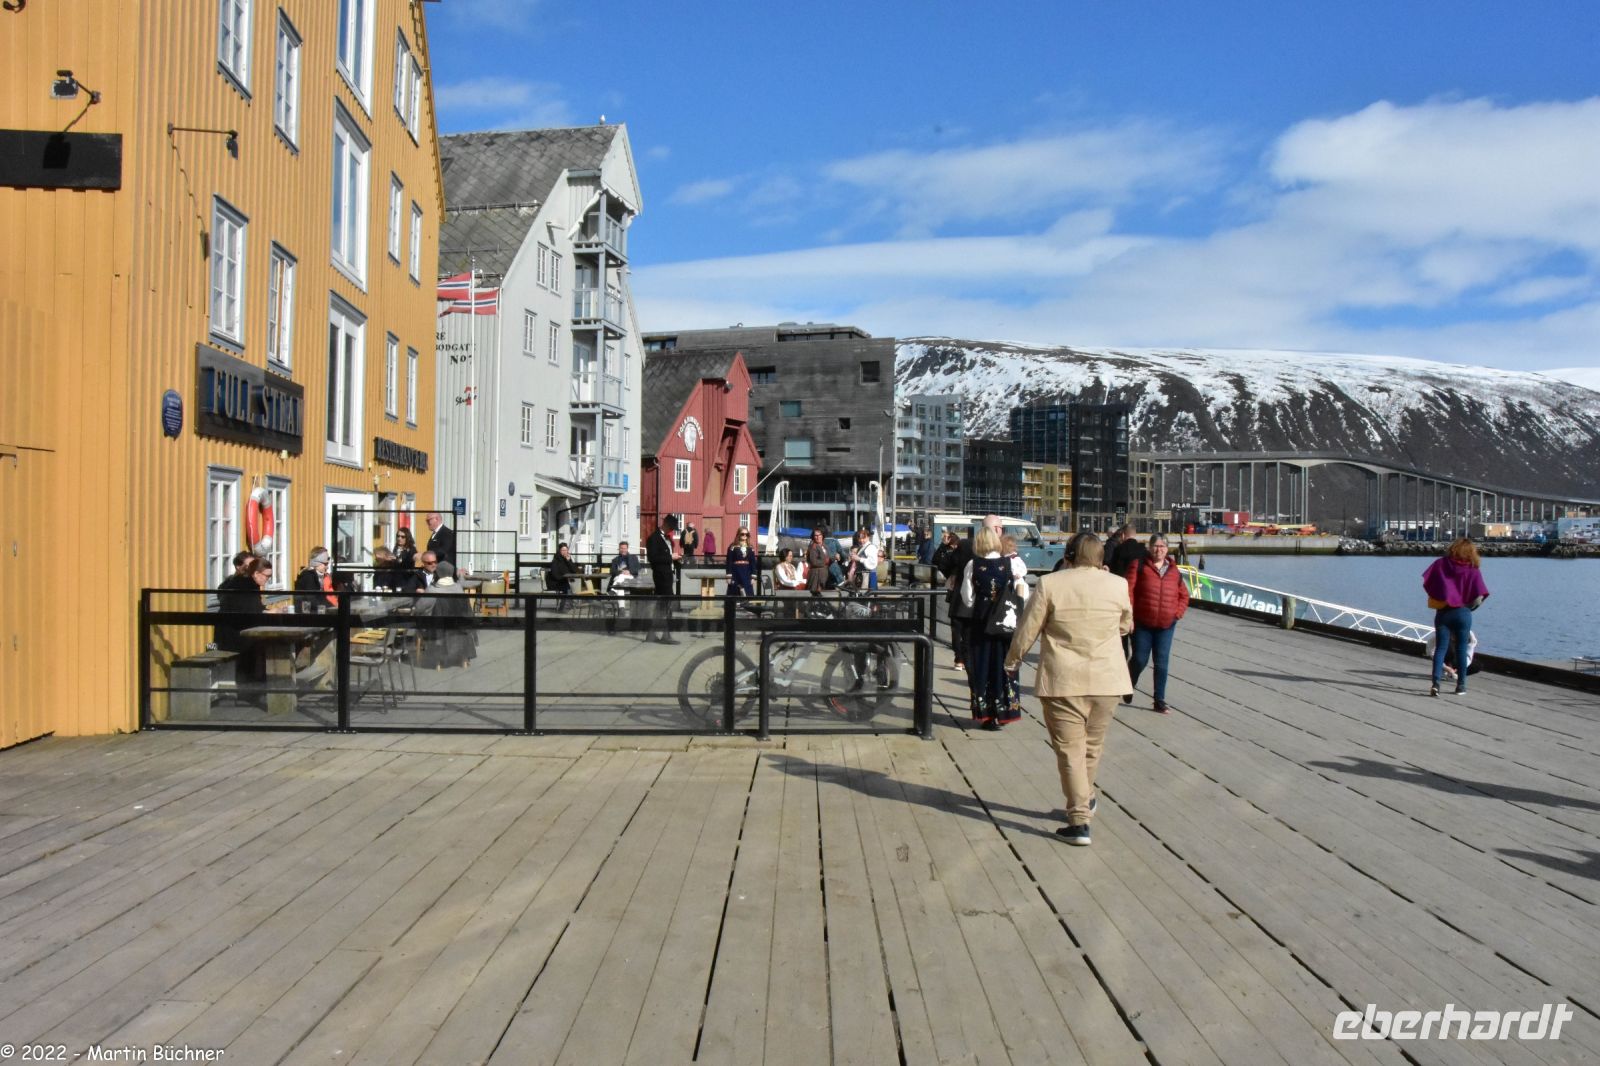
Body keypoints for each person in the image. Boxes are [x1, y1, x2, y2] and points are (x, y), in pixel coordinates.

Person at [1005, 532, 1133, 846]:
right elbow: (1126, 625)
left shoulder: (1052, 584)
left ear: (1070, 555)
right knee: (1091, 747)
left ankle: (1078, 820)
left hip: (1064, 679)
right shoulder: (1118, 585)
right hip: (1107, 679)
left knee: (1069, 750)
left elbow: (1028, 628)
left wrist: (1012, 661)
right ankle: (1085, 798)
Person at [960, 526, 1030, 729]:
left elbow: (967, 598)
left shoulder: (973, 565)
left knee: (982, 666)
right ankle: (1006, 710)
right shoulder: (1011, 564)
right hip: (1005, 624)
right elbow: (1023, 593)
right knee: (1005, 665)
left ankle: (987, 714)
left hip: (981, 623)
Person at [1125, 534, 1189, 714]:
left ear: (1167, 549)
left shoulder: (1174, 571)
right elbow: (1127, 591)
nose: (1158, 549)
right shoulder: (1138, 566)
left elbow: (1184, 595)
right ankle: (1130, 682)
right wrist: (1129, 616)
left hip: (1166, 625)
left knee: (1161, 663)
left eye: (1162, 546)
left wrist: (1177, 614)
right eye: (1155, 546)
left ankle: (1159, 700)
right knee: (1139, 659)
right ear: (1149, 547)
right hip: (1143, 623)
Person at [1422, 538, 1489, 696]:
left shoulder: (1440, 564)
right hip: (1463, 613)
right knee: (1461, 649)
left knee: (1440, 649)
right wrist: (1468, 608)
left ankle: (1436, 684)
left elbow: (1428, 584)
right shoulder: (1473, 569)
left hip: (1443, 612)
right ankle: (1461, 686)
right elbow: (1479, 596)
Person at [418, 562, 477, 669]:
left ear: (438, 573)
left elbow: (420, 607)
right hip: (459, 628)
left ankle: (438, 662)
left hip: (439, 630)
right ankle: (463, 660)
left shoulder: (432, 589)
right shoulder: (458, 588)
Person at [934, 528, 973, 670]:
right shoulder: (977, 558)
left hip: (957, 595)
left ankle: (959, 658)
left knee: (956, 629)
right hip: (973, 598)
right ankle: (967, 657)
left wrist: (944, 545)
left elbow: (939, 562)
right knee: (969, 631)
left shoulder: (958, 556)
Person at [645, 515, 681, 644]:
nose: (672, 530)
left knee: (663, 606)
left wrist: (676, 560)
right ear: (665, 524)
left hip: (667, 574)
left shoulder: (666, 539)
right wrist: (671, 557)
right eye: (671, 527)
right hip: (661, 575)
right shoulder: (654, 538)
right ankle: (664, 635)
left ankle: (653, 634)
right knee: (664, 605)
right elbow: (653, 558)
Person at [294, 548, 332, 614]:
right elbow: (312, 599)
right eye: (325, 564)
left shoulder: (317, 576)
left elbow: (322, 598)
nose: (327, 567)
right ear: (316, 563)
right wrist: (330, 608)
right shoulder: (308, 576)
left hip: (313, 612)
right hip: (306, 615)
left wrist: (334, 607)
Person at [725, 528, 757, 598]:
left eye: (747, 534)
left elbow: (753, 563)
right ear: (738, 535)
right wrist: (728, 576)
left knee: (747, 591)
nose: (744, 536)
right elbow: (729, 561)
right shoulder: (732, 547)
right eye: (742, 534)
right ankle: (733, 607)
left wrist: (753, 577)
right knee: (734, 590)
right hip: (736, 572)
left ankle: (748, 607)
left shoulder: (750, 547)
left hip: (746, 573)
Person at [546, 542, 579, 609]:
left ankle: (566, 606)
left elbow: (574, 570)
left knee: (572, 587)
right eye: (563, 550)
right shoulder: (556, 561)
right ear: (559, 551)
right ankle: (566, 607)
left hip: (564, 581)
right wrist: (564, 578)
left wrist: (569, 561)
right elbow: (555, 575)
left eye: (566, 550)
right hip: (555, 582)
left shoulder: (566, 559)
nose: (565, 552)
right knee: (568, 588)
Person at [804, 528, 831, 597]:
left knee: (820, 597)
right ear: (813, 537)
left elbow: (827, 557)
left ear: (822, 536)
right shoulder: (813, 547)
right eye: (815, 535)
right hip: (816, 575)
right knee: (815, 596)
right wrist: (826, 561)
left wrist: (833, 558)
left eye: (819, 535)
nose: (817, 537)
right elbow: (814, 562)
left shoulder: (824, 546)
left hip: (823, 573)